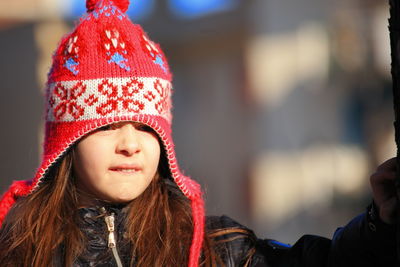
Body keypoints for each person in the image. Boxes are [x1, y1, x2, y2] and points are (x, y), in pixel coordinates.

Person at [0, 0, 397, 266]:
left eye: (145, 126)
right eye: (105, 127)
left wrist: (380, 223)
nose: (130, 145)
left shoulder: (214, 246)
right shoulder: (18, 250)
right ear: (66, 143)